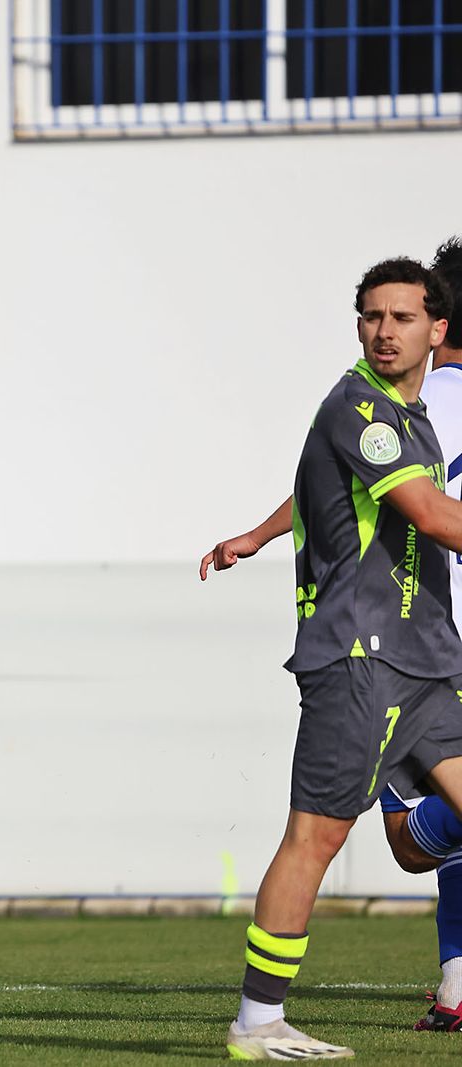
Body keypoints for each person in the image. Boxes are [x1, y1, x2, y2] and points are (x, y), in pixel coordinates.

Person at [202, 257, 462, 1060]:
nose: (385, 331)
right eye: (372, 316)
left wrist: (256, 531)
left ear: (436, 330)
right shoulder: (358, 403)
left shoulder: (406, 417)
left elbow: (324, 488)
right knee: (313, 840)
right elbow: (428, 510)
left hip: (421, 660)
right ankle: (257, 1020)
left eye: (403, 317)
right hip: (361, 656)